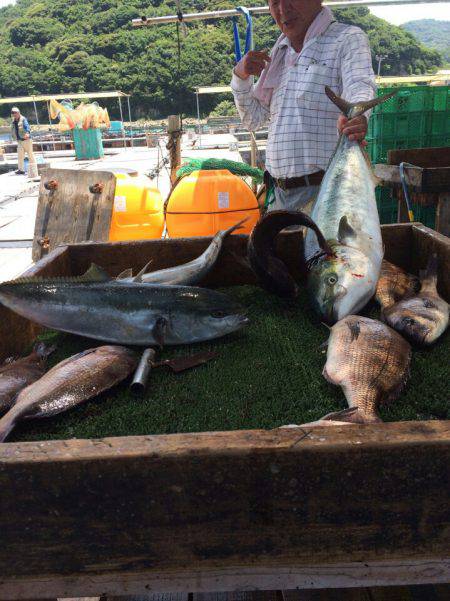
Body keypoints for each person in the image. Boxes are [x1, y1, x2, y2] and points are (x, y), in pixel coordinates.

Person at [231, 0, 376, 212]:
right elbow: (254, 119)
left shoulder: (347, 38)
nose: (283, 9)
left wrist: (358, 114)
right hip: (277, 196)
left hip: (326, 193)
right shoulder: (279, 54)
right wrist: (240, 77)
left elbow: (359, 84)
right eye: (274, 2)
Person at [10, 106, 37, 176]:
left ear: (19, 113)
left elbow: (27, 127)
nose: (14, 114)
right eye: (13, 113)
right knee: (20, 155)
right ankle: (21, 170)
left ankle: (33, 169)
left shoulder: (23, 119)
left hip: (27, 140)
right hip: (19, 141)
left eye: (15, 113)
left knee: (30, 155)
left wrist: (27, 133)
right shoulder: (13, 121)